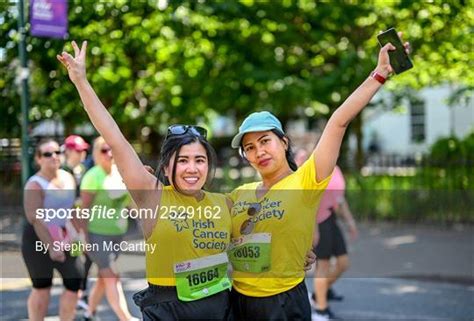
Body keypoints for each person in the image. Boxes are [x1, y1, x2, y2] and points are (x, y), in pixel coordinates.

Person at [228, 37, 410, 321]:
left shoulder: (306, 181)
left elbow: (338, 121)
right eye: (249, 147)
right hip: (238, 301)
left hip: (284, 304)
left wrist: (379, 75)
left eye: (265, 141)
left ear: (284, 143)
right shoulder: (239, 194)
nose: (258, 151)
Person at [58, 41, 233, 320]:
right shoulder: (152, 196)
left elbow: (253, 242)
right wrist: (81, 81)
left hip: (219, 308)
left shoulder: (225, 203)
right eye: (182, 160)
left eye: (199, 160)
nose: (192, 168)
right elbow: (113, 135)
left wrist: (299, 254)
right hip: (167, 310)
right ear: (167, 165)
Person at [22, 138, 84, 321]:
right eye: (48, 154)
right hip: (37, 240)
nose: (54, 157)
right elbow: (36, 218)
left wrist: (80, 235)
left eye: (57, 152)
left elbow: (72, 210)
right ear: (39, 159)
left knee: (75, 280)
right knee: (42, 287)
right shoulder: (34, 184)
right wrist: (51, 246)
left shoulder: (68, 177)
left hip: (63, 236)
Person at [79, 136, 138, 321]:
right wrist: (84, 239)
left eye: (112, 149)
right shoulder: (92, 177)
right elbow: (83, 211)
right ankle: (125, 318)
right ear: (96, 154)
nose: (109, 154)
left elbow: (131, 205)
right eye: (104, 150)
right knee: (112, 275)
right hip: (97, 236)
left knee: (105, 278)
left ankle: (89, 313)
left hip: (117, 236)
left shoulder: (119, 174)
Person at [296, 149, 358, 319]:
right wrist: (313, 228)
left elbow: (340, 200)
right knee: (322, 265)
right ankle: (321, 310)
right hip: (317, 221)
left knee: (343, 263)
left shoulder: (335, 170)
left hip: (331, 219)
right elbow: (307, 202)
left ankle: (319, 293)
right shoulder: (313, 170)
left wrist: (350, 222)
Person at [61, 134, 92, 310]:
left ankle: (81, 291)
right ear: (70, 151)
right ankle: (77, 292)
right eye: (79, 150)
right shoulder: (63, 171)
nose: (82, 154)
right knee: (76, 258)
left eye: (84, 150)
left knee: (84, 256)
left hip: (78, 222)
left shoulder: (80, 170)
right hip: (67, 224)